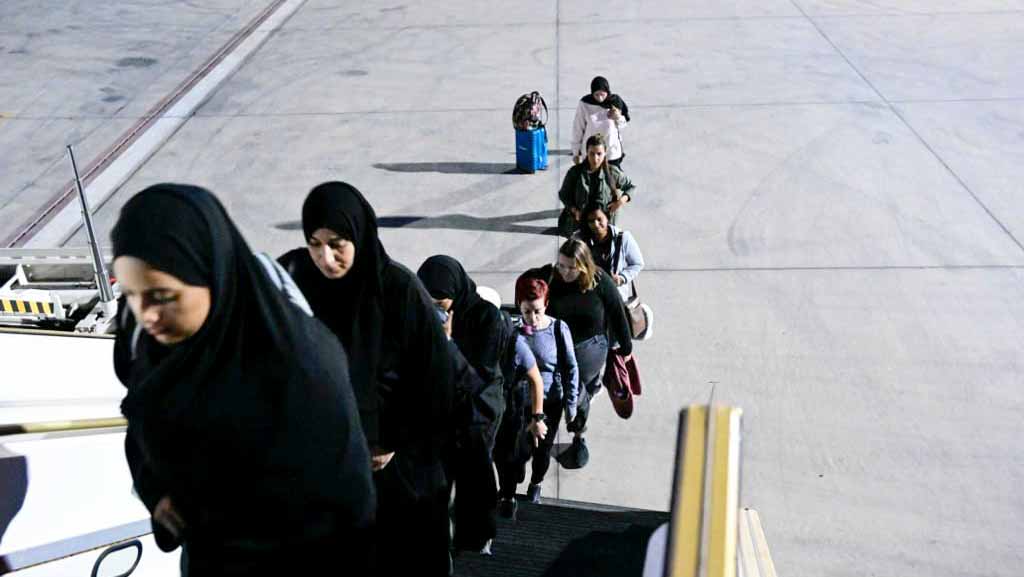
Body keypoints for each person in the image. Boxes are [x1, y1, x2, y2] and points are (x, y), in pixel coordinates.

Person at [110, 184, 374, 576]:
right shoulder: (157, 349)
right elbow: (145, 426)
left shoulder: (302, 368)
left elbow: (350, 509)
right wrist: (157, 493)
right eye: (132, 294)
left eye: (164, 296)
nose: (145, 315)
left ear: (212, 274)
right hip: (207, 555)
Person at [277, 181, 489, 576]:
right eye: (315, 243)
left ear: (358, 233)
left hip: (404, 471)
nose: (326, 257)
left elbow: (440, 383)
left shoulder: (399, 291)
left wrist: (393, 440)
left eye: (338, 243)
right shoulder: (298, 281)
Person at [416, 255, 506, 552]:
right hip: (440, 406)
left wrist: (447, 344)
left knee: (475, 477)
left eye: (440, 302)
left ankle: (477, 536)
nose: (435, 308)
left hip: (476, 410)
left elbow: (479, 375)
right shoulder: (421, 312)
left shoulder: (486, 318)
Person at [522, 239, 632, 468]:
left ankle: (578, 433)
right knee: (552, 388)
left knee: (578, 390)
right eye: (561, 265)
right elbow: (527, 290)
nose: (565, 271)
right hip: (556, 343)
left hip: (589, 347)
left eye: (571, 267)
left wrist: (626, 348)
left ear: (583, 265)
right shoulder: (550, 276)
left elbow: (618, 313)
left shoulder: (599, 281)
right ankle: (538, 431)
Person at [496, 276, 579, 510]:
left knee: (542, 451)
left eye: (537, 311)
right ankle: (516, 477)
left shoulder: (558, 329)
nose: (532, 318)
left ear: (546, 304)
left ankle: (536, 483)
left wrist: (571, 406)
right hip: (519, 402)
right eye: (526, 311)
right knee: (516, 450)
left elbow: (571, 367)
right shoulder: (513, 330)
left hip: (549, 402)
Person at [558, 133, 636, 237]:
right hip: (581, 225)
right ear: (586, 153)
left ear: (605, 154)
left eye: (599, 154)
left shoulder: (612, 172)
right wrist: (574, 210)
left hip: (604, 227)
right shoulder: (575, 173)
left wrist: (620, 201)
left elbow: (631, 187)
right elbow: (563, 194)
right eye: (592, 153)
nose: (595, 158)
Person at [574, 202, 645, 302]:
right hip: (589, 298)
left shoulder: (623, 237)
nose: (595, 224)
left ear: (607, 218)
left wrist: (621, 278)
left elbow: (637, 264)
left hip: (616, 298)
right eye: (591, 221)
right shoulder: (579, 239)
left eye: (599, 219)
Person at [571, 76, 630, 167]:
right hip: (591, 154)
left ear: (607, 92)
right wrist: (576, 152)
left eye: (602, 94)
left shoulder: (615, 102)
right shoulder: (585, 104)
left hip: (611, 154)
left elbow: (623, 125)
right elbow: (578, 129)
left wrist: (618, 117)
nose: (600, 98)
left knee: (612, 180)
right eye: (596, 95)